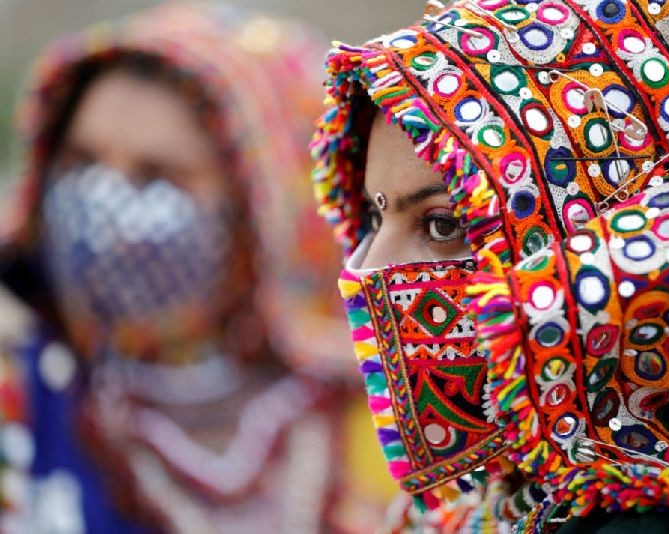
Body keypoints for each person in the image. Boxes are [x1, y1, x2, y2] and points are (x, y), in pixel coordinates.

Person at [311, 0, 669, 531]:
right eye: (375, 217)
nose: (368, 268)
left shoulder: (665, 517)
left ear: (597, 235)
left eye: (444, 225)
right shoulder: (492, 500)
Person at [0, 3, 391, 532]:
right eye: (82, 161)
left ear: (270, 206)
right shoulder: (22, 404)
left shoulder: (393, 430)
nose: (104, 204)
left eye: (158, 174)